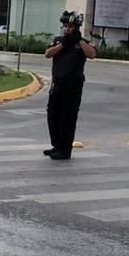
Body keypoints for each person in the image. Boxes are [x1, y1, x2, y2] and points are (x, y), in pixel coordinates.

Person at [43, 11, 96, 160]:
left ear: (76, 28)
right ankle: (56, 145)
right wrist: (63, 44)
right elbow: (47, 54)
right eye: (65, 26)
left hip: (73, 86)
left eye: (70, 26)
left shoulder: (82, 42)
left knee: (68, 118)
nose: (66, 29)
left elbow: (92, 54)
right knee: (53, 115)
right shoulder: (59, 40)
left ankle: (65, 150)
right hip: (57, 84)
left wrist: (79, 41)